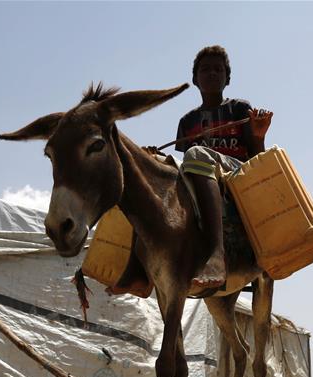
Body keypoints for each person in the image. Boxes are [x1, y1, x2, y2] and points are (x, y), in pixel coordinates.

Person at [110, 45, 273, 294]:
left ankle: (216, 256)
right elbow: (182, 169)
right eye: (205, 69)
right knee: (145, 174)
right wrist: (155, 158)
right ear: (195, 79)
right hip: (200, 178)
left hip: (234, 176)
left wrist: (259, 135)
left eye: (218, 69)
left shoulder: (240, 108)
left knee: (196, 154)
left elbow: (256, 159)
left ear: (227, 78)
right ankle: (137, 271)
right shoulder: (187, 122)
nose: (212, 74)